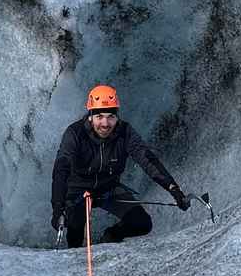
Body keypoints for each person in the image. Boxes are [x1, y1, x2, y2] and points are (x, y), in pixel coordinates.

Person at [50, 84, 189, 246]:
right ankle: (74, 259)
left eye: (111, 117)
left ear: (117, 117)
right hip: (78, 193)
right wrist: (58, 208)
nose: (105, 123)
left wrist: (174, 188)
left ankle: (110, 236)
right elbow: (61, 169)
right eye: (99, 116)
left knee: (142, 223)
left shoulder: (125, 132)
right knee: (75, 228)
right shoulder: (75, 133)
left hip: (108, 189)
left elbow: (148, 160)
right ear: (90, 116)